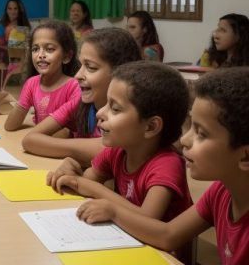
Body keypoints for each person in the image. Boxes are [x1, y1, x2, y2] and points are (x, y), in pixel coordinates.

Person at [72, 67, 249, 265]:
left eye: (201, 133)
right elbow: (168, 234)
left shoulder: (171, 165)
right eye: (191, 126)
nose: (185, 140)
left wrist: (107, 205)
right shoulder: (221, 191)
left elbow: (159, 228)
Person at [48, 61, 193, 260]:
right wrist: (71, 173)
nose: (100, 112)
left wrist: (108, 205)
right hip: (127, 245)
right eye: (107, 104)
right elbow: (87, 181)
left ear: (150, 127)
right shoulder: (118, 151)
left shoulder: (167, 164)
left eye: (115, 109)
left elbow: (147, 218)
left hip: (161, 257)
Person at [22, 28, 140, 164]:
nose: (77, 75)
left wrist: (73, 154)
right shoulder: (79, 103)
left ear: (120, 72)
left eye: (91, 67)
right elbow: (30, 140)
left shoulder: (129, 116)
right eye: (81, 65)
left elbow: (113, 151)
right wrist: (78, 156)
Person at [3, 21, 81, 133]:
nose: (40, 55)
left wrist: (36, 137)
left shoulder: (74, 87)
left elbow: (65, 134)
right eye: (35, 49)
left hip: (65, 147)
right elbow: (10, 126)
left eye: (49, 49)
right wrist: (20, 105)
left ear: (66, 56)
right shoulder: (32, 83)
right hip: (39, 141)